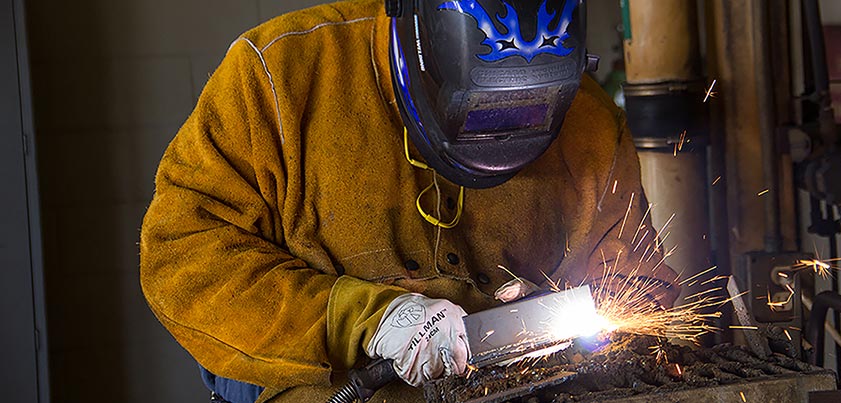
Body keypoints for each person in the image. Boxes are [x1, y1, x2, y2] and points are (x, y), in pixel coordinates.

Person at [139, 0, 680, 402]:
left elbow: (643, 302)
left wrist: (539, 321)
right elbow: (182, 260)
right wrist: (364, 321)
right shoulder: (279, 79)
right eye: (483, 108)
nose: (500, 132)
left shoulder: (590, 124)